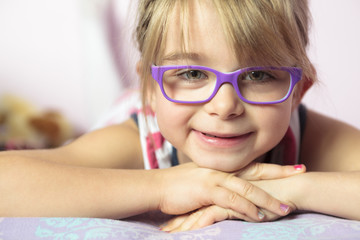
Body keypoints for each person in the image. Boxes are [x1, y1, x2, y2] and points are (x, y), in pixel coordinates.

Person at [1, 0, 360, 233]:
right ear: (151, 88)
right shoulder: (135, 140)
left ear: (299, 90)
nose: (224, 106)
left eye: (258, 75)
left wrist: (289, 189)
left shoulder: (309, 135)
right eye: (191, 73)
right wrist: (165, 187)